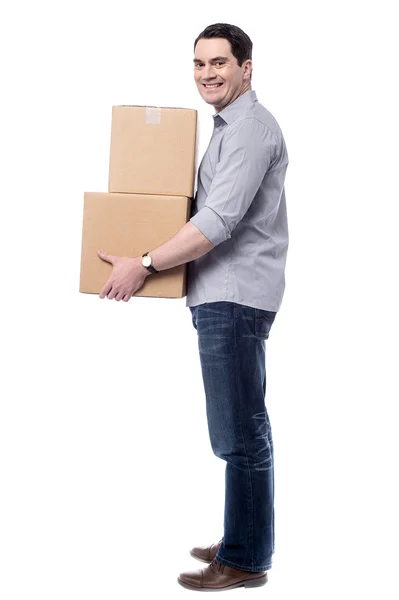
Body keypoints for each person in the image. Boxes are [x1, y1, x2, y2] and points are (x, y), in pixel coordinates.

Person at [97, 22, 289, 592]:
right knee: (236, 429)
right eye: (200, 64)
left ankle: (247, 560)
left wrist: (145, 262)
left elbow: (218, 222)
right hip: (220, 295)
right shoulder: (227, 128)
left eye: (220, 63)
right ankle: (241, 537)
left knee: (241, 433)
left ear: (246, 68)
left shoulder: (252, 129)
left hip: (235, 293)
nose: (208, 73)